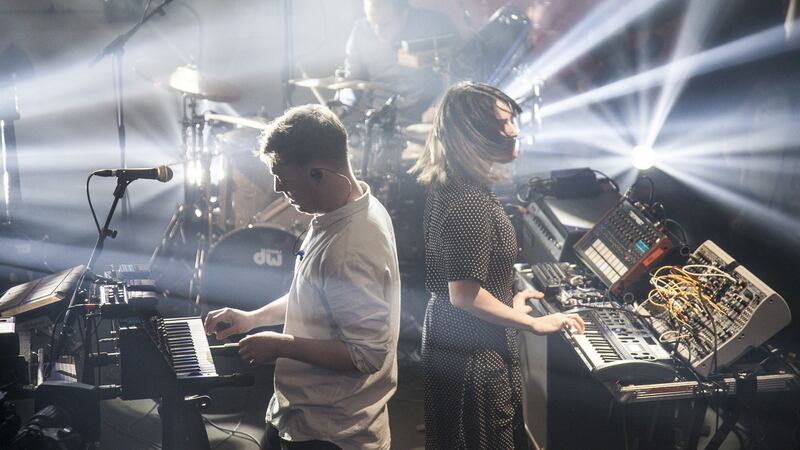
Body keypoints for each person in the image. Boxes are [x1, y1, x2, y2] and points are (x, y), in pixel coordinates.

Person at [204, 104, 401, 450]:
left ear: (317, 173)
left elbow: (366, 356)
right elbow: (313, 297)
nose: (277, 187)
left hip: (332, 434)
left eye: (282, 175)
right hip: (306, 418)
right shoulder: (345, 210)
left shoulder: (352, 245)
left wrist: (279, 345)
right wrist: (253, 319)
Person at [409, 81, 586, 449]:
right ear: (472, 134)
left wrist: (508, 304)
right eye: (502, 123)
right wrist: (534, 322)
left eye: (511, 120)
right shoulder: (469, 201)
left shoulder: (457, 185)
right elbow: (463, 295)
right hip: (472, 352)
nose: (513, 130)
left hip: (459, 340)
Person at [337, 0, 459, 123]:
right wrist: (341, 106)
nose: (377, 31)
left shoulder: (435, 25)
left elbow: (459, 76)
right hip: (380, 118)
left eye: (384, 24)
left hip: (426, 118)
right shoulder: (360, 31)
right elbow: (352, 81)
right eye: (371, 22)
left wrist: (438, 106)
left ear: (404, 13)